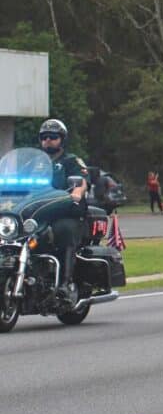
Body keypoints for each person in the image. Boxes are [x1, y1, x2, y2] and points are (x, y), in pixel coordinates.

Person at [38, 119, 89, 302]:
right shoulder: (34, 162)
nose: (48, 141)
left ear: (62, 139)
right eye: (44, 137)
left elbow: (82, 180)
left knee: (64, 230)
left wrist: (76, 192)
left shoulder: (70, 160)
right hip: (38, 213)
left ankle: (65, 284)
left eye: (53, 137)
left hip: (65, 211)